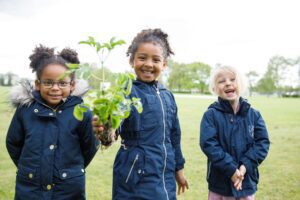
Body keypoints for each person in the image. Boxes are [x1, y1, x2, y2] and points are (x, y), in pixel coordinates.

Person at [6, 45, 100, 199]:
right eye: (48, 82)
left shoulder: (82, 112)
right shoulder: (25, 110)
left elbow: (89, 147)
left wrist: (72, 171)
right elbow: (13, 143)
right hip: (30, 189)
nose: (55, 88)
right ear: (38, 84)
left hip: (69, 190)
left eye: (62, 83)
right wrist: (30, 169)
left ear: (72, 85)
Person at [108, 28, 188, 199]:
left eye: (156, 60)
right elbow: (115, 126)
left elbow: (175, 136)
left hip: (165, 177)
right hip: (134, 175)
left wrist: (179, 170)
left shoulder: (168, 96)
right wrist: (107, 129)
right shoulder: (127, 92)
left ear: (164, 64)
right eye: (142, 58)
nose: (149, 64)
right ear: (132, 60)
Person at [200, 66, 270, 200]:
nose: (227, 83)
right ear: (214, 89)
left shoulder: (254, 115)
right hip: (219, 185)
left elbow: (262, 143)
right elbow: (209, 144)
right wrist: (231, 169)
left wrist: (244, 166)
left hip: (246, 182)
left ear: (241, 85)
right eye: (221, 81)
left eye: (233, 79)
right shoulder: (210, 115)